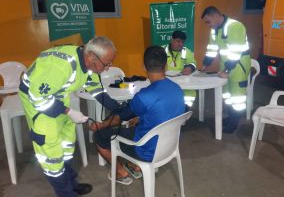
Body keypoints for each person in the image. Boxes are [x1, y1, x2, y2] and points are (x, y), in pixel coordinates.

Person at [19, 36, 121, 197]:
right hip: (39, 103)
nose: (108, 68)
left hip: (59, 97)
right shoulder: (61, 66)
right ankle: (66, 193)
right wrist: (69, 111)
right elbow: (38, 97)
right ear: (91, 57)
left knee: (66, 143)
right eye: (106, 64)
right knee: (51, 155)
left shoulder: (89, 64)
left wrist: (118, 108)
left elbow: (96, 89)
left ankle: (72, 184)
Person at [90, 45, 185, 185]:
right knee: (137, 122)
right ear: (165, 66)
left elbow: (120, 117)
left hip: (146, 151)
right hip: (169, 145)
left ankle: (121, 172)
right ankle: (136, 167)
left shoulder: (144, 96)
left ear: (144, 67)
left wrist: (101, 125)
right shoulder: (177, 89)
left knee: (99, 136)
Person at [201, 6, 251, 133]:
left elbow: (235, 53)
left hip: (239, 66)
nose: (208, 25)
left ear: (216, 16)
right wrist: (206, 64)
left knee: (237, 98)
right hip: (226, 67)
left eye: (208, 22)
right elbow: (212, 49)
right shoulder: (215, 30)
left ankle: (235, 124)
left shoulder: (234, 26)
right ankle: (229, 118)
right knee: (228, 95)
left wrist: (227, 71)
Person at [161, 30, 197, 107]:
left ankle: (186, 109)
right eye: (178, 41)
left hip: (183, 81)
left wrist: (190, 68)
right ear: (172, 40)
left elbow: (193, 63)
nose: (180, 44)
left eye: (182, 42)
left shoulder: (186, 51)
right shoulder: (162, 50)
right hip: (166, 81)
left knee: (190, 93)